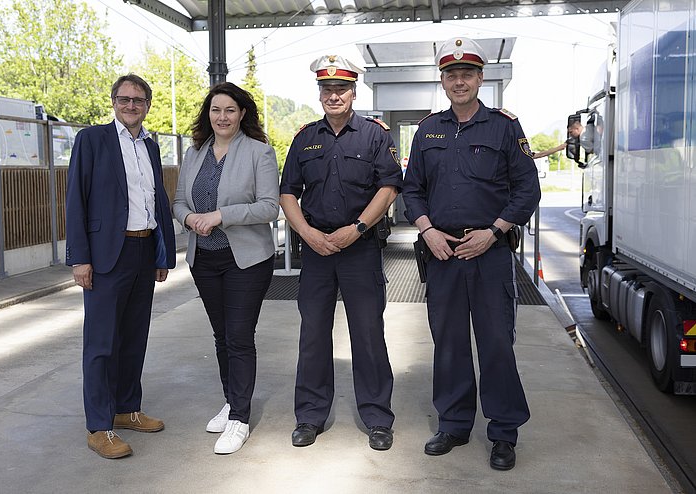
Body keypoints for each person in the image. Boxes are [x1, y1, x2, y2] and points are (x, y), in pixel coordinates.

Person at [401, 37, 541, 471]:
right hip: (442, 252)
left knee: (497, 342)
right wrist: (427, 232)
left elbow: (527, 189)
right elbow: (412, 189)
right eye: (450, 74)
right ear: (442, 81)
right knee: (449, 343)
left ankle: (503, 432)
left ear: (481, 78)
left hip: (489, 253)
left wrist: (495, 230)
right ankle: (454, 424)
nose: (459, 81)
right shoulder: (429, 130)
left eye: (467, 73)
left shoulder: (504, 127)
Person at [279, 54, 403, 451]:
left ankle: (378, 417)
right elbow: (287, 193)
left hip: (360, 248)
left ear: (354, 92)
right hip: (316, 250)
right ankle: (310, 416)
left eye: (341, 89)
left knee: (368, 335)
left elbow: (389, 186)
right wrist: (307, 234)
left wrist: (359, 227)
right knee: (313, 335)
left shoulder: (374, 135)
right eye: (327, 89)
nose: (334, 95)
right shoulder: (304, 138)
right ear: (319, 94)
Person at [66, 73, 176, 459]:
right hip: (105, 256)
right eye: (124, 99)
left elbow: (156, 201)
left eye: (139, 100)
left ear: (147, 105)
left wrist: (163, 254)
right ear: (113, 101)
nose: (131, 106)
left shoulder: (151, 145)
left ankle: (128, 408)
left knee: (133, 337)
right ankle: (99, 426)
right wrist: (80, 258)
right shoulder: (92, 140)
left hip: (143, 253)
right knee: (101, 344)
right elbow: (75, 200)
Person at [172, 82, 280, 455]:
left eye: (230, 110)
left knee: (239, 336)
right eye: (216, 110)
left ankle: (240, 418)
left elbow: (269, 207)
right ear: (208, 115)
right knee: (221, 337)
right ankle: (232, 401)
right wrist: (189, 219)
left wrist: (220, 216)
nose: (222, 117)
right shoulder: (194, 153)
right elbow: (179, 201)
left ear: (242, 114)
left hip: (246, 261)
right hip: (205, 259)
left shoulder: (259, 153)